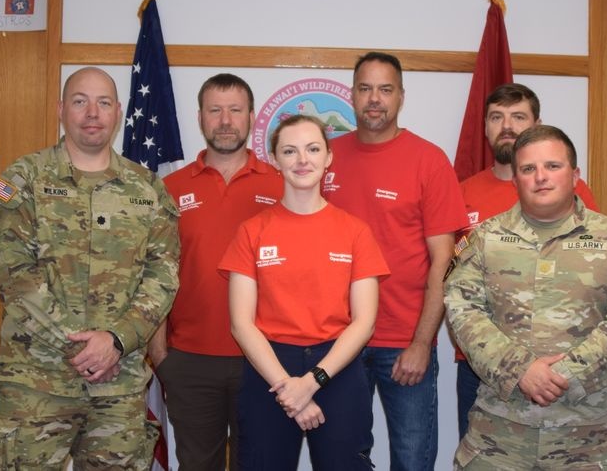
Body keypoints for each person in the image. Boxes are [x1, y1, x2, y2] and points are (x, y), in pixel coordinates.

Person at [0, 66, 180, 468]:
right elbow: (15, 275)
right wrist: (84, 349)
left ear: (118, 111)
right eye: (80, 101)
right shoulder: (22, 180)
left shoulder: (148, 189)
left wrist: (116, 341)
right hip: (35, 384)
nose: (92, 113)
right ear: (60, 109)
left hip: (117, 388)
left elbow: (163, 275)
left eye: (103, 103)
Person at [445, 125, 607, 470]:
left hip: (588, 442)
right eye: (528, 169)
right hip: (499, 440)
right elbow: (462, 311)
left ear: (575, 175)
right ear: (515, 179)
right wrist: (521, 370)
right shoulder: (483, 239)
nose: (540, 177)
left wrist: (562, 376)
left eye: (553, 166)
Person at [322, 51, 469, 470]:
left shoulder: (428, 160)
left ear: (401, 96)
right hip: (337, 341)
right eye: (365, 88)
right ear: (351, 95)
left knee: (412, 460)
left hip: (404, 343)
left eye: (385, 89)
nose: (374, 99)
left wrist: (423, 343)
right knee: (342, 460)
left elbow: (444, 260)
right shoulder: (324, 158)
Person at [219, 114, 389, 470]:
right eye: (290, 151)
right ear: (275, 160)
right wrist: (287, 388)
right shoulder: (252, 232)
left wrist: (313, 381)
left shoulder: (355, 232)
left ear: (328, 157)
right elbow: (241, 324)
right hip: (269, 369)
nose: (302, 160)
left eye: (313, 149)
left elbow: (364, 322)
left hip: (337, 368)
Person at [148, 74, 283, 470]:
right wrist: (160, 352)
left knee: (258, 464)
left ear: (253, 117)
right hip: (188, 361)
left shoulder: (282, 186)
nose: (225, 120)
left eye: (235, 110)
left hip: (262, 358)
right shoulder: (169, 188)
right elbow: (153, 272)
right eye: (215, 110)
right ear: (200, 118)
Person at [454, 82, 599, 438]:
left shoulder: (573, 192)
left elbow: (593, 274)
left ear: (536, 123)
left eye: (518, 116)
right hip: (481, 362)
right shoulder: (463, 192)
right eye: (496, 117)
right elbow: (455, 279)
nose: (507, 126)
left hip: (557, 364)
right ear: (485, 126)